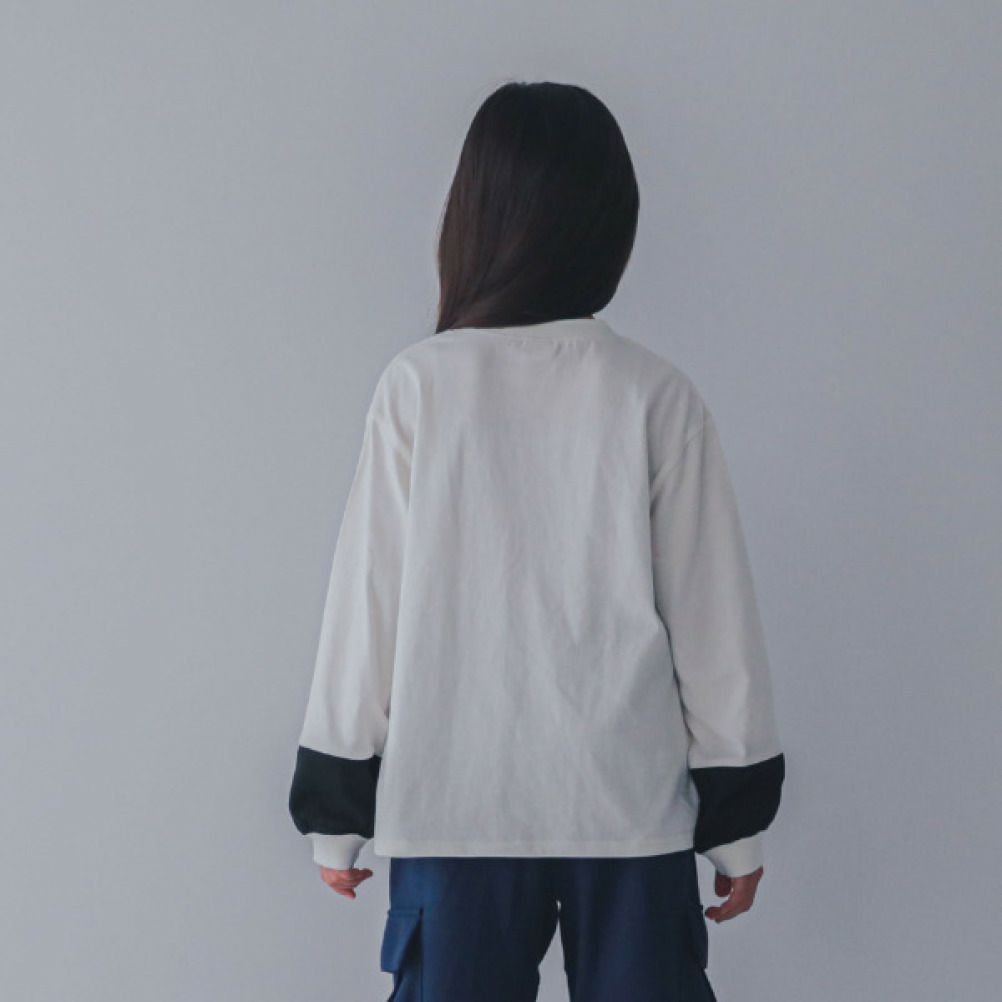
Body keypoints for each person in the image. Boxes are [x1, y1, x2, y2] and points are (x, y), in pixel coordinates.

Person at [289, 80, 785, 1002]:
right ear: (611, 221)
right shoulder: (652, 394)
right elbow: (715, 626)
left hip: (455, 806)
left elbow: (367, 604)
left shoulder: (419, 387)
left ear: (472, 215)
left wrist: (337, 805)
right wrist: (737, 822)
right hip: (628, 808)